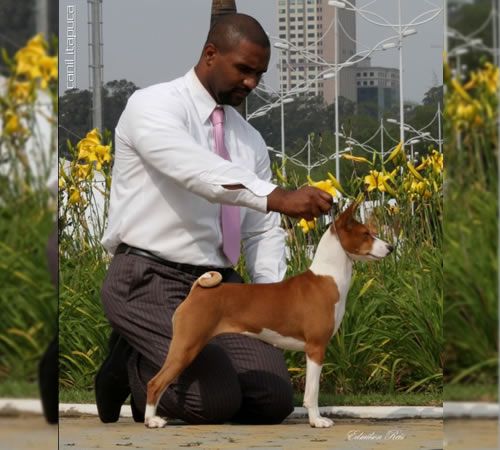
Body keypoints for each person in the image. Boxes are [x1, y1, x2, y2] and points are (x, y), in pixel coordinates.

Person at [96, 13, 333, 425]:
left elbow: (261, 231)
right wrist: (277, 196)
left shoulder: (249, 139)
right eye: (244, 69)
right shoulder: (152, 106)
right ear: (210, 54)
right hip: (147, 277)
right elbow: (200, 172)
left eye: (259, 74)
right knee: (212, 402)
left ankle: (164, 358)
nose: (252, 84)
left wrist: (270, 297)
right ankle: (130, 366)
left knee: (273, 400)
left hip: (222, 288)